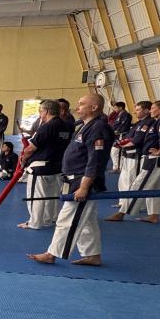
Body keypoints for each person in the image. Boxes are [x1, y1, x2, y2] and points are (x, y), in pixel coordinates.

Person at [28, 93, 114, 266]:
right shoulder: (85, 126)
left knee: (66, 220)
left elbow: (95, 160)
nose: (77, 107)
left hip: (82, 181)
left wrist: (84, 187)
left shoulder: (98, 128)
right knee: (87, 221)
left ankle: (52, 254)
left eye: (82, 104)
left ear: (94, 107)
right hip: (74, 180)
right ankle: (92, 255)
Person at [108, 99, 160, 224]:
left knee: (138, 185)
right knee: (154, 186)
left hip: (156, 159)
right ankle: (154, 215)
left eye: (153, 108)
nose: (151, 111)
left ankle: (122, 213)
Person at [17, 99, 72, 230]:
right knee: (51, 195)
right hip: (57, 166)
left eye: (40, 111)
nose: (40, 113)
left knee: (36, 196)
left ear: (46, 111)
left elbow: (31, 148)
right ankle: (49, 219)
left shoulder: (47, 126)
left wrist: (23, 159)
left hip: (40, 167)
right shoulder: (66, 126)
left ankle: (34, 222)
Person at [110, 100, 152, 211]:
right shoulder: (139, 123)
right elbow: (129, 136)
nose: (135, 112)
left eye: (138, 110)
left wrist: (122, 144)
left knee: (131, 179)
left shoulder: (148, 123)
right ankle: (123, 201)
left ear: (146, 111)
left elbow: (137, 139)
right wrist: (121, 142)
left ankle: (131, 203)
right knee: (123, 179)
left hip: (135, 154)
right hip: (128, 153)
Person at [108, 102, 132, 173]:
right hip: (116, 136)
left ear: (120, 108)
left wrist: (117, 131)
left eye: (115, 108)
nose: (114, 109)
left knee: (116, 151)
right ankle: (117, 167)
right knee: (114, 152)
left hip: (121, 135)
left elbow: (124, 125)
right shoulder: (119, 115)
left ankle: (118, 168)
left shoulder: (126, 115)